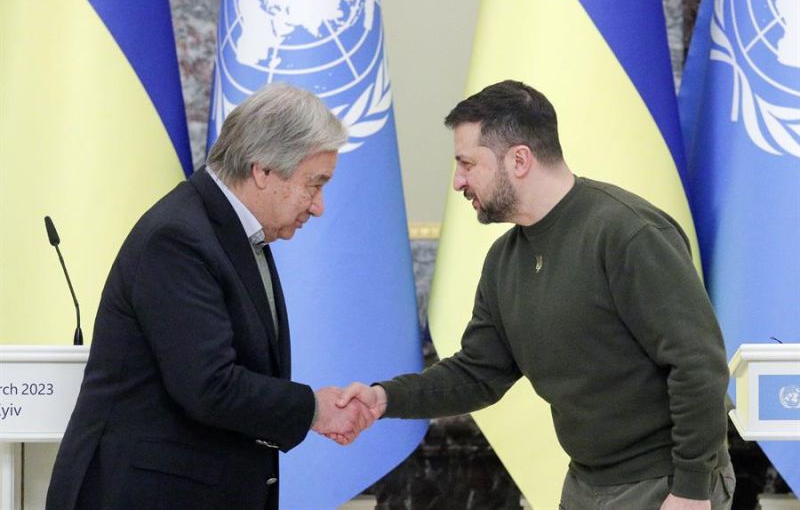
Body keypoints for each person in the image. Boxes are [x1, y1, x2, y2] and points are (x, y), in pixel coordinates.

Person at [337, 80, 735, 509]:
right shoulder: (504, 260)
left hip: (665, 484)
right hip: (586, 482)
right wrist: (384, 398)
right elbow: (478, 374)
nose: (458, 181)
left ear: (519, 160)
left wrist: (692, 490)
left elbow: (698, 364)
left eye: (467, 163)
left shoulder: (627, 232)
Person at [46, 83, 371, 510]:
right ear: (264, 170)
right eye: (315, 184)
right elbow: (208, 385)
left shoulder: (231, 232)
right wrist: (313, 409)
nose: (319, 206)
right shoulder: (178, 238)